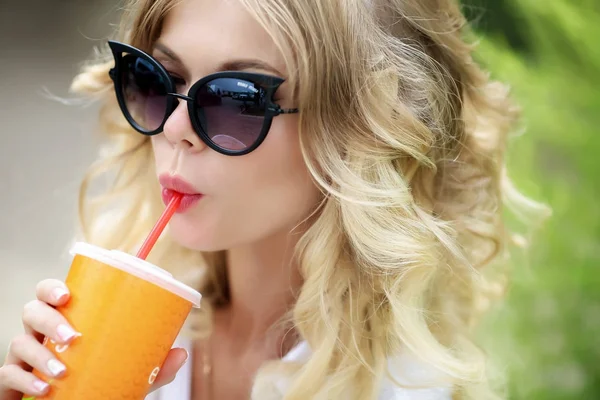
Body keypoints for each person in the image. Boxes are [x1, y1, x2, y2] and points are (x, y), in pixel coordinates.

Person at [0, 0, 548, 399]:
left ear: (359, 134)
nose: (174, 127)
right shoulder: (123, 310)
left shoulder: (402, 389)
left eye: (236, 100)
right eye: (159, 78)